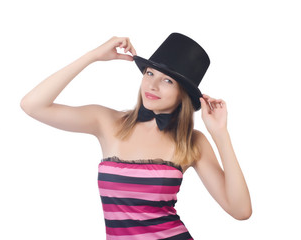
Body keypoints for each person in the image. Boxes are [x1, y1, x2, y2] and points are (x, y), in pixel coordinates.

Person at [21, 33, 251, 239]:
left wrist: (220, 134)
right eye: (149, 73)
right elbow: (32, 105)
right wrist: (92, 56)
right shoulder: (108, 122)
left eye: (167, 80)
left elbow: (241, 211)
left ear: (183, 93)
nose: (152, 85)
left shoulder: (193, 141)